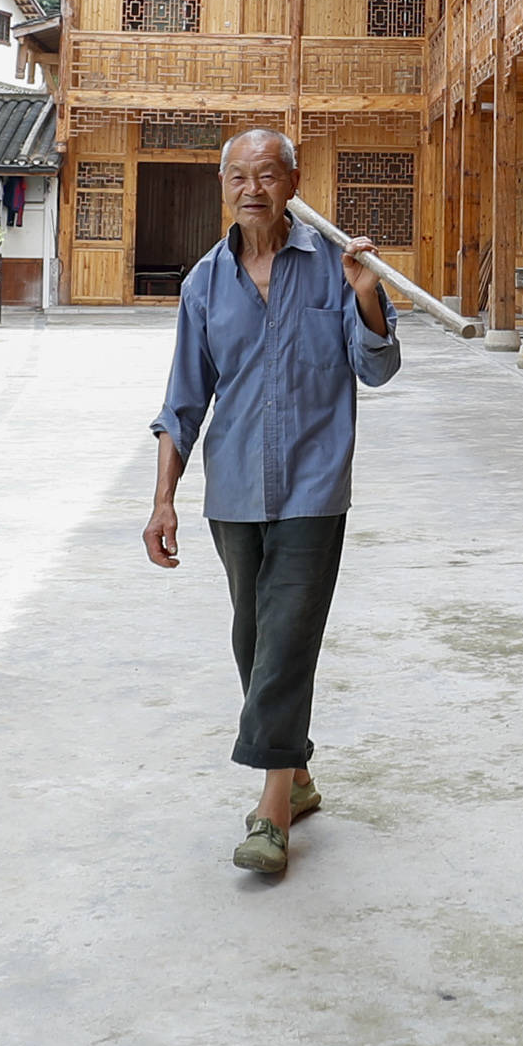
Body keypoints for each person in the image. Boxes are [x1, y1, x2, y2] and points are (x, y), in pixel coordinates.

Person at [146, 126, 401, 878]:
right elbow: (182, 403)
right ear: (222, 186)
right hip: (232, 490)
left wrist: (365, 295)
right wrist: (163, 499)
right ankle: (298, 771)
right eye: (238, 176)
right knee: (254, 639)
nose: (251, 188)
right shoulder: (205, 284)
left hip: (315, 483)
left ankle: (270, 808)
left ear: (292, 182)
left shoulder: (337, 266)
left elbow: (376, 369)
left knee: (288, 635)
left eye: (267, 174)